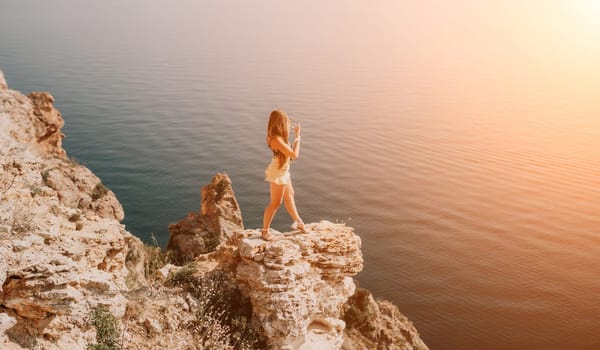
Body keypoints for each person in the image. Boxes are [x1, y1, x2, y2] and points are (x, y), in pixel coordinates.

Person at [261, 109, 305, 240]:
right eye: (286, 122)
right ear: (280, 123)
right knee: (275, 203)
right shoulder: (275, 139)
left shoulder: (277, 137)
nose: (287, 125)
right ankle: (265, 231)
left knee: (290, 196)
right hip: (278, 173)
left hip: (283, 170)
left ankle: (299, 223)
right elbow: (294, 155)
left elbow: (287, 153)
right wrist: (298, 137)